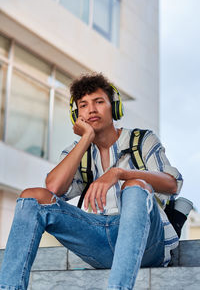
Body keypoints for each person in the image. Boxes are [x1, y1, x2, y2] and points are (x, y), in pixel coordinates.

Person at [0, 73, 183, 290]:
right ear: (77, 114)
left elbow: (171, 183)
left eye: (99, 102)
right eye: (83, 105)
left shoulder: (142, 140)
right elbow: (53, 189)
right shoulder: (76, 151)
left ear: (114, 108)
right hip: (98, 237)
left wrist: (120, 173)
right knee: (32, 196)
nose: (91, 110)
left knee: (135, 186)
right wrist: (86, 138)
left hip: (146, 242)